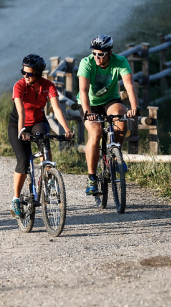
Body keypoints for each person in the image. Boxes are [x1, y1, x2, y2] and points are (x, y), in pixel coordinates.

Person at [8, 54, 73, 218]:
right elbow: (21, 111)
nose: (25, 76)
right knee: (23, 161)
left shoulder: (48, 86)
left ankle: (49, 177)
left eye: (29, 73)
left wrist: (66, 129)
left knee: (45, 142)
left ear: (38, 74)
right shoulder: (19, 85)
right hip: (18, 124)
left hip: (38, 121)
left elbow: (57, 110)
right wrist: (22, 131)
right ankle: (16, 198)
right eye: (23, 72)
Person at [77, 35, 139, 196]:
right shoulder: (86, 63)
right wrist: (88, 112)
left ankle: (115, 155)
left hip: (110, 100)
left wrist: (134, 107)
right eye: (94, 54)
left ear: (110, 53)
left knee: (121, 118)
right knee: (96, 132)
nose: (97, 57)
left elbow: (129, 85)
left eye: (101, 54)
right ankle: (91, 178)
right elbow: (83, 91)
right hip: (89, 103)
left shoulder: (120, 61)